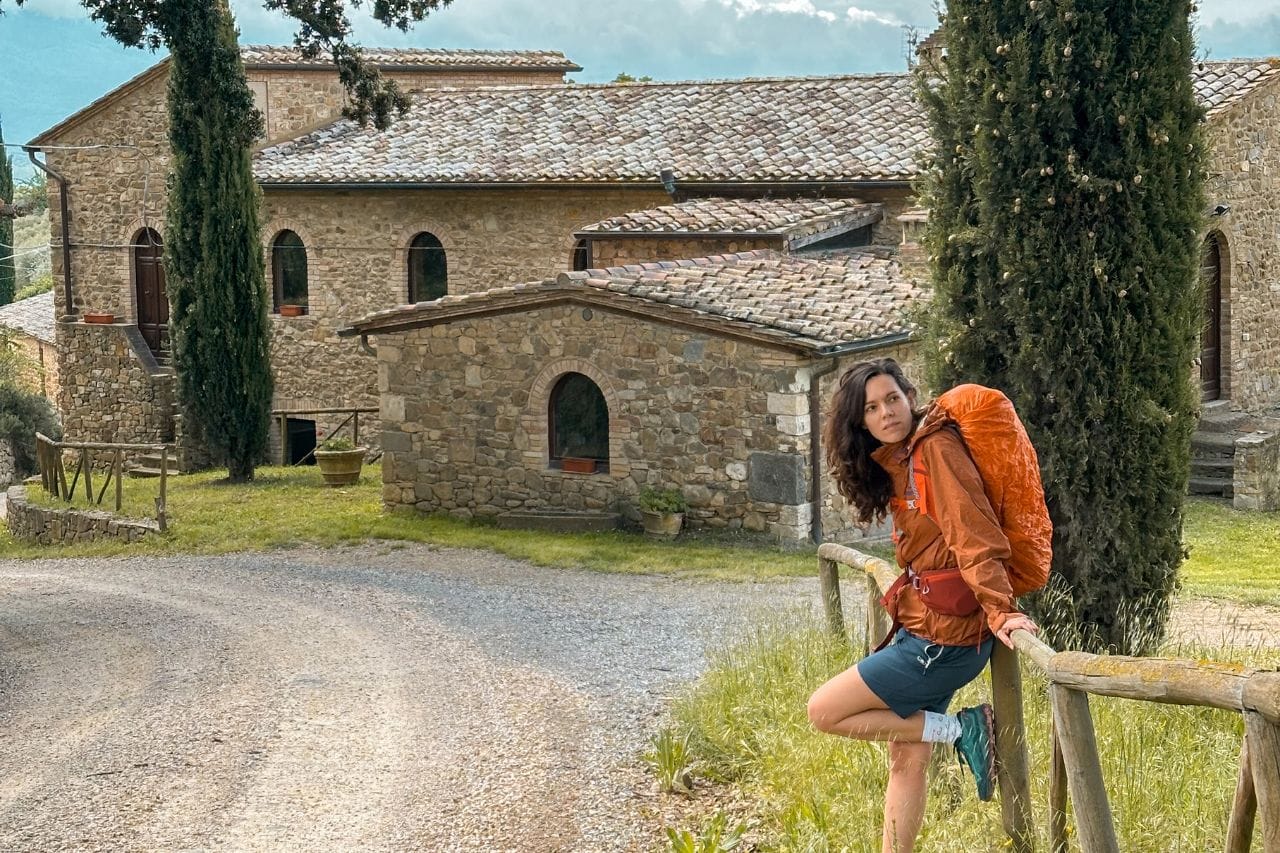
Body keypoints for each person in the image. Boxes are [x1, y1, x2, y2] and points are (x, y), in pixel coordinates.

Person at [806, 358, 1039, 853]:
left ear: (909, 396)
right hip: (932, 630)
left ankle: (961, 730)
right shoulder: (901, 458)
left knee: (824, 710)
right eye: (872, 407)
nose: (887, 412)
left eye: (892, 398)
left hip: (942, 643)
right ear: (861, 424)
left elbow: (971, 532)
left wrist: (1000, 608)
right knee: (906, 757)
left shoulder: (934, 450)